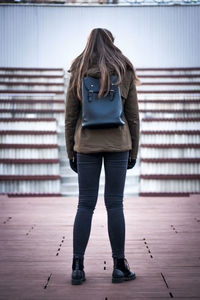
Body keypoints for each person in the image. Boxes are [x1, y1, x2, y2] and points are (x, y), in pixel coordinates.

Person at [65, 28, 140, 285]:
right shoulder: (124, 70)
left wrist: (70, 151)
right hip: (118, 144)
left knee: (85, 205)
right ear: (111, 43)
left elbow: (70, 116)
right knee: (115, 204)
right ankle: (119, 266)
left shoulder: (78, 70)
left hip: (85, 145)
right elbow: (132, 117)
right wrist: (134, 150)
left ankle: (77, 266)